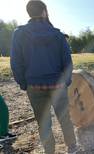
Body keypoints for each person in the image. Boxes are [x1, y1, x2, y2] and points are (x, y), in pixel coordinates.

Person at [10, 1, 77, 153]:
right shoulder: (58, 35)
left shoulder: (19, 34)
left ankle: (49, 151)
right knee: (65, 118)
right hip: (58, 85)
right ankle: (72, 147)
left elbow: (16, 62)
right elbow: (67, 62)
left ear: (29, 13)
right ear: (44, 12)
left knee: (43, 122)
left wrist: (24, 83)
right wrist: (66, 82)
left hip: (34, 86)